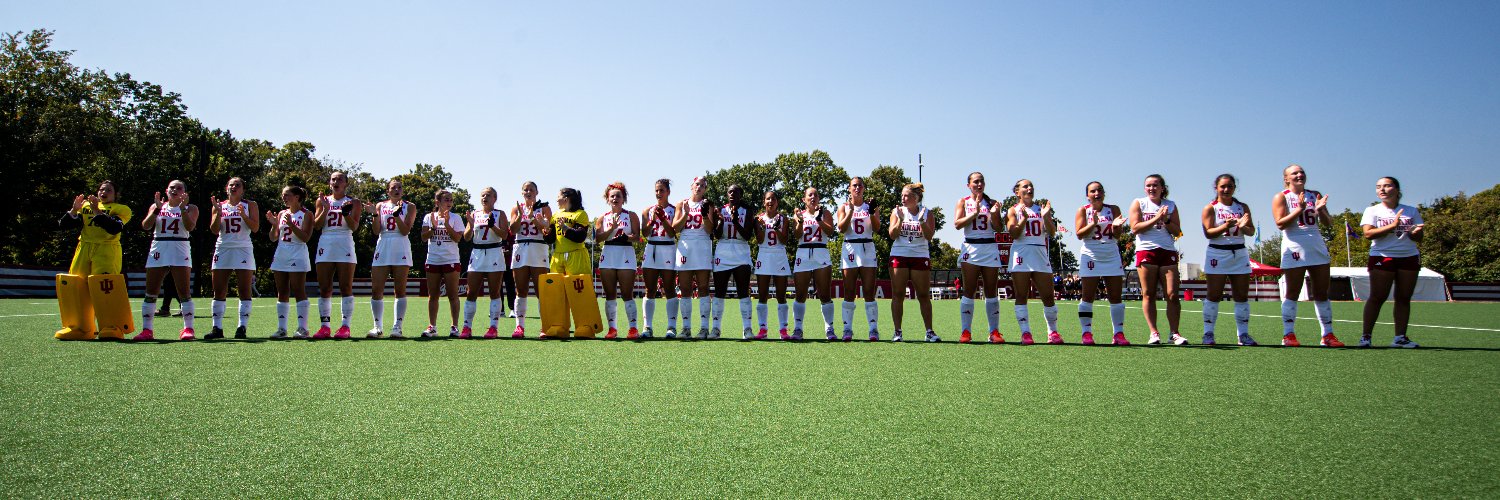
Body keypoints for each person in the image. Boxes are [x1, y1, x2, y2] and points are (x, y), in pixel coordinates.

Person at [1272, 164, 1343, 347]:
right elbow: (1280, 224)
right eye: (1294, 173)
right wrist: (1298, 209)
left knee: (1321, 292)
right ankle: (1288, 334)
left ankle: (1327, 335)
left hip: (1316, 244)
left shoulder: (1314, 194)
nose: (1299, 175)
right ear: (1286, 178)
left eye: (1301, 172)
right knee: (1292, 292)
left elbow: (1328, 223)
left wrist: (1320, 210)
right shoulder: (1282, 197)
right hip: (1295, 244)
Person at [56, 180, 133, 340]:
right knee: (76, 285)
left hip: (107, 249)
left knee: (105, 285)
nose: (103, 192)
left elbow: (115, 228)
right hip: (84, 247)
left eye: (109, 190)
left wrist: (97, 210)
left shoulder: (122, 209)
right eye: (101, 189)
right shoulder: (85, 207)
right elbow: (64, 226)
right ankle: (80, 328)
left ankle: (112, 326)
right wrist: (74, 210)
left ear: (116, 194)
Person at [1360, 177, 1424, 348]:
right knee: (1377, 297)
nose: (1382, 189)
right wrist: (1392, 226)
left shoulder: (1411, 211)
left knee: (1403, 298)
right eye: (1378, 187)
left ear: (1396, 189)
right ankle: (1366, 337)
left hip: (1408, 256)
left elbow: (1418, 237)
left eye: (1387, 186)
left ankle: (1400, 338)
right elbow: (1368, 234)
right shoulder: (1372, 211)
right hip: (1382, 256)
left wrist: (1415, 231)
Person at [1129, 174, 1187, 345]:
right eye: (1148, 185)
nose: (1151, 188)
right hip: (1146, 250)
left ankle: (1174, 333)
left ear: (1162, 187)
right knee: (1148, 293)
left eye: (1155, 185)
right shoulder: (1139, 203)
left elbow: (1177, 231)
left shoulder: (1170, 205)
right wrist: (1156, 218)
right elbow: (1135, 228)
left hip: (1167, 250)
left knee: (1172, 294)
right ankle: (1154, 333)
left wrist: (1166, 219)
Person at [1200, 174, 1258, 346]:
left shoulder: (1242, 207)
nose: (1226, 190)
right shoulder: (1211, 208)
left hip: (1239, 253)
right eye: (1223, 186)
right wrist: (1226, 226)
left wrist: (1242, 226)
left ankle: (1243, 335)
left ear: (1234, 188)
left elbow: (1251, 231)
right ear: (1216, 188)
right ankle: (1208, 333)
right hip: (1218, 253)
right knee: (1214, 295)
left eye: (1230, 186)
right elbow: (1208, 233)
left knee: (1241, 296)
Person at [137, 180, 198, 341]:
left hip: (180, 246)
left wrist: (183, 209)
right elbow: (146, 225)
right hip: (159, 246)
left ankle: (188, 328)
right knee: (151, 292)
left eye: (179, 188)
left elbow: (190, 227)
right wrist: (156, 208)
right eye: (172, 187)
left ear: (185, 192)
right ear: (166, 190)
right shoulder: (158, 206)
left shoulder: (191, 208)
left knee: (184, 292)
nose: (175, 190)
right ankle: (147, 330)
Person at [1073, 181, 1129, 345]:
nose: (1096, 193)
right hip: (1091, 253)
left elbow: (1118, 236)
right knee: (1088, 296)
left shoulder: (1113, 209)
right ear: (1087, 195)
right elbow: (1079, 234)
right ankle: (1086, 333)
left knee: (1115, 297)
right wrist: (1093, 223)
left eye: (1099, 190)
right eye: (1093, 191)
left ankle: (1118, 334)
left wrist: (1117, 227)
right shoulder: (1083, 210)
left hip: (1110, 253)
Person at [952, 172, 1005, 343]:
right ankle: (966, 331)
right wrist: (974, 213)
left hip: (989, 247)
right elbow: (957, 224)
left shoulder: (991, 203)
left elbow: (998, 228)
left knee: (991, 290)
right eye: (975, 182)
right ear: (969, 185)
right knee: (969, 290)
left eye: (981, 181)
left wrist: (996, 214)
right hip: (971, 246)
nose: (979, 184)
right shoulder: (963, 201)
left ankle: (994, 332)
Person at [1006, 179, 1061, 344]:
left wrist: (1046, 217)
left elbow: (1052, 232)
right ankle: (1026, 333)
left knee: (1048, 296)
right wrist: (1023, 219)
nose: (1029, 188)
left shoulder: (1041, 209)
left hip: (1039, 252)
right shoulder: (1013, 210)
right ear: (1017, 192)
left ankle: (1053, 332)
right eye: (1025, 186)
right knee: (1022, 295)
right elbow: (1013, 233)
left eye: (1031, 186)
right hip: (1021, 252)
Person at [312, 171, 365, 339]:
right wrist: (325, 209)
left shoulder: (354, 202)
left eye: (340, 179)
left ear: (346, 184)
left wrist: (345, 213)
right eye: (333, 179)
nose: (336, 182)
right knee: (324, 287)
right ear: (329, 183)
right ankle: (325, 326)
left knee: (345, 286)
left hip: (344, 242)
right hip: (326, 242)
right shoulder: (322, 201)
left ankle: (345, 326)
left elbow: (354, 227)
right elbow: (317, 225)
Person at [207, 177, 260, 339]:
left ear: (243, 189)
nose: (234, 187)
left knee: (244, 289)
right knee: (219, 289)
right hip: (223, 248)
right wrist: (217, 213)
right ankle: (217, 328)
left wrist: (244, 215)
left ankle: (242, 327)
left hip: (243, 248)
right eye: (231, 184)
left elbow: (255, 228)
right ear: (226, 188)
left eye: (238, 185)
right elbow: (214, 230)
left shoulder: (250, 205)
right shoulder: (219, 205)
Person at [888, 183, 938, 342]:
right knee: (898, 294)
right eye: (902, 195)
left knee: (923, 295)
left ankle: (929, 331)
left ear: (916, 198)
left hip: (920, 256)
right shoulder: (897, 212)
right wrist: (900, 220)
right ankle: (897, 331)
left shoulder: (927, 213)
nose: (903, 198)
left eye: (906, 196)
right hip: (899, 254)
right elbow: (892, 234)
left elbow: (929, 236)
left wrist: (922, 221)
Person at [367, 179, 416, 338]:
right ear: (388, 191)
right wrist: (374, 214)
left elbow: (405, 230)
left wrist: (396, 216)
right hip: (383, 243)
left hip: (400, 244)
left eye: (399, 187)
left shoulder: (410, 206)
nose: (397, 190)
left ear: (403, 191)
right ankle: (377, 327)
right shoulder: (381, 205)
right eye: (393, 188)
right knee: (376, 289)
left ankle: (397, 327)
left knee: (400, 289)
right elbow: (376, 231)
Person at [265, 185, 315, 339]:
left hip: (297, 252)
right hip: (281, 253)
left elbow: (305, 238)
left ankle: (302, 328)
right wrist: (274, 225)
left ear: (297, 197)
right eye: (283, 195)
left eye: (287, 195)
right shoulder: (282, 213)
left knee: (299, 290)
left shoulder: (307, 214)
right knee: (282, 292)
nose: (284, 198)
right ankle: (282, 329)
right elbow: (273, 238)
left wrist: (292, 225)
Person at [835, 177, 881, 341]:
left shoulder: (871, 206)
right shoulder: (844, 207)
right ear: (849, 188)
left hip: (867, 247)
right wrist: (851, 212)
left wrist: (872, 213)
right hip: (850, 247)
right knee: (849, 291)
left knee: (869, 291)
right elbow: (841, 228)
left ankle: (873, 329)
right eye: (854, 185)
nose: (857, 188)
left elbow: (876, 227)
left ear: (864, 188)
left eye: (860, 185)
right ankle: (847, 329)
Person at [462, 187, 510, 338]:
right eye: (483, 195)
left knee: (494, 292)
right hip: (477, 253)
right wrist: (470, 224)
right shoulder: (475, 214)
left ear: (495, 198)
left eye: (488, 195)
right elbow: (466, 237)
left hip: (494, 252)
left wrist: (492, 226)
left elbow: (504, 235)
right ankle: (467, 327)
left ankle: (493, 327)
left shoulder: (499, 214)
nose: (485, 198)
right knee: (471, 292)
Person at [595, 182, 641, 339]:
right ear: (608, 199)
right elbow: (597, 239)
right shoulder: (602, 217)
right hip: (608, 253)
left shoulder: (631, 215)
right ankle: (612, 329)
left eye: (618, 196)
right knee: (610, 294)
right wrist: (610, 229)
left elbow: (637, 237)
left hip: (625, 253)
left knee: (627, 293)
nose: (615, 198)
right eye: (612, 196)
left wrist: (626, 237)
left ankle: (633, 328)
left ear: (624, 198)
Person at [671, 177, 715, 339]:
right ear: (691, 186)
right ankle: (686, 327)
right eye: (697, 184)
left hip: (702, 245)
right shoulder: (681, 203)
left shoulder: (708, 204)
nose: (699, 187)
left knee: (703, 288)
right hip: (685, 246)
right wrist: (686, 214)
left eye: (703, 186)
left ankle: (704, 328)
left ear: (705, 189)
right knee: (685, 289)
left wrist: (704, 215)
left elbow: (710, 230)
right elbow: (675, 228)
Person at [792, 187, 837, 340]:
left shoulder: (825, 214)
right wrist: (799, 221)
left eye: (816, 195)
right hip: (803, 252)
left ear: (819, 199)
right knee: (800, 294)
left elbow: (830, 232)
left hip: (820, 252)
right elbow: (796, 235)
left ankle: (829, 328)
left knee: (824, 294)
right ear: (804, 199)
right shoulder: (799, 214)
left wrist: (818, 219)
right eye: (809, 195)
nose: (813, 197)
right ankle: (798, 328)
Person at [712, 184, 756, 339]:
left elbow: (747, 235)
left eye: (736, 192)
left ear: (740, 195)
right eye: (730, 191)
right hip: (723, 249)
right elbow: (717, 235)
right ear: (727, 193)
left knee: (743, 291)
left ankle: (747, 329)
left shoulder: (747, 211)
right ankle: (716, 329)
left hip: (741, 250)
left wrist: (736, 221)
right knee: (719, 292)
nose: (732, 194)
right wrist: (722, 221)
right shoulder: (720, 210)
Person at [508, 181, 552, 338]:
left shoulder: (544, 207)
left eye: (531, 189)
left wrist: (533, 218)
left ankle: (545, 326)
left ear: (537, 192)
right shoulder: (516, 208)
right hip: (520, 247)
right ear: (522, 192)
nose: (528, 192)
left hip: (538, 247)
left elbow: (546, 229)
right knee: (521, 290)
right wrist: (521, 216)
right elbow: (512, 230)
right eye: (525, 190)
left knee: (542, 291)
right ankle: (519, 326)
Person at [422, 190, 466, 337]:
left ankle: (454, 327)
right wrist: (433, 227)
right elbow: (423, 237)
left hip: (451, 260)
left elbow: (458, 238)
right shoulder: (429, 217)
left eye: (451, 200)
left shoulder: (456, 218)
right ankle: (432, 326)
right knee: (433, 295)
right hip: (433, 259)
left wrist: (447, 224)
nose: (449, 202)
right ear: (437, 202)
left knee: (453, 295)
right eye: (446, 199)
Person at [639, 179, 678, 338]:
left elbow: (672, 233)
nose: (658, 193)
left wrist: (662, 219)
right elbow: (645, 233)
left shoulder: (675, 210)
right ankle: (647, 327)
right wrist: (653, 219)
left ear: (668, 192)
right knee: (650, 289)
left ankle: (671, 327)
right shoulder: (647, 210)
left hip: (668, 247)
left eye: (662, 190)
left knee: (669, 288)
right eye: (656, 190)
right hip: (652, 247)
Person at [754, 191, 792, 340]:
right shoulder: (758, 219)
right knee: (762, 294)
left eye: (773, 199)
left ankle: (783, 329)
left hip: (779, 255)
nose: (770, 201)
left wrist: (776, 228)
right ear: (764, 201)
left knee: (781, 295)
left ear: (777, 202)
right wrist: (762, 227)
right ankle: (763, 328)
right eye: (768, 199)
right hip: (764, 254)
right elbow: (759, 240)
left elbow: (784, 241)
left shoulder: (783, 219)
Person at [549, 187, 592, 276]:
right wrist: (546, 230)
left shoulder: (580, 214)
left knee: (576, 288)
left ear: (565, 199)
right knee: (557, 288)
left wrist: (565, 228)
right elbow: (550, 239)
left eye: (558, 196)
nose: (556, 199)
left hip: (576, 255)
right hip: (557, 256)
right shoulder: (556, 215)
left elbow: (580, 237)